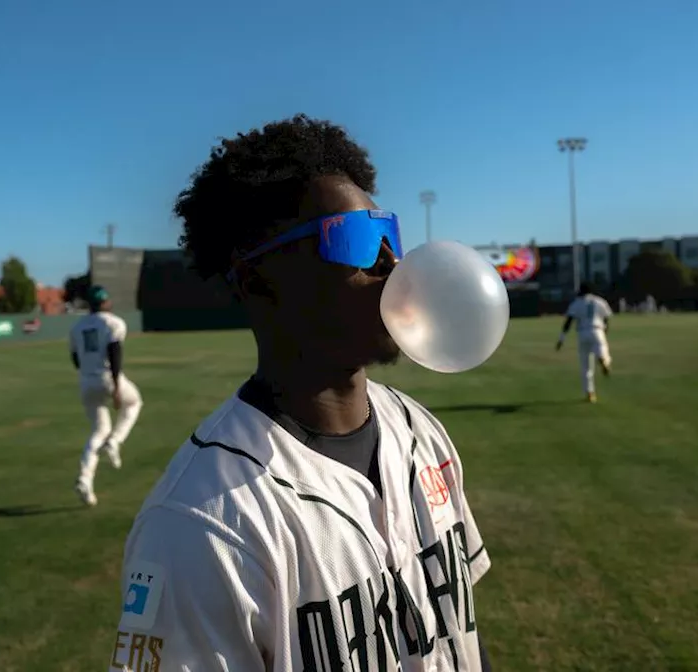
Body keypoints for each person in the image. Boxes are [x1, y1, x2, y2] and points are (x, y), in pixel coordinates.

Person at [110, 115, 493, 671]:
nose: (390, 261)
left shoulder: (421, 431)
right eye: (357, 239)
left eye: (387, 232)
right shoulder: (200, 525)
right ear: (257, 279)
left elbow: (464, 635)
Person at [68, 285, 143, 506]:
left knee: (98, 430)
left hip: (86, 381)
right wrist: (117, 388)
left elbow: (76, 360)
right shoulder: (114, 322)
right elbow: (115, 354)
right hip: (108, 377)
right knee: (134, 402)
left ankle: (85, 479)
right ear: (105, 302)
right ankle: (115, 441)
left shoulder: (76, 327)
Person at [556, 282, 614, 402]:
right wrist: (605, 330)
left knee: (586, 366)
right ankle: (604, 360)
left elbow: (568, 322)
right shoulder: (600, 301)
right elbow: (607, 318)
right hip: (597, 330)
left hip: (582, 332)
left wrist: (561, 339)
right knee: (603, 349)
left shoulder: (577, 303)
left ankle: (590, 393)